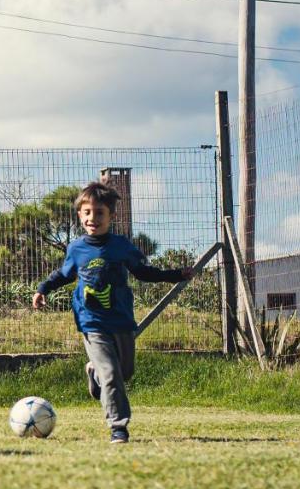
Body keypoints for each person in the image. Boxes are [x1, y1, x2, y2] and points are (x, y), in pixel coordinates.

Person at [32, 182, 194, 443]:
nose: (92, 218)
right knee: (111, 373)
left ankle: (93, 374)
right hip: (91, 321)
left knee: (124, 373)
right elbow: (63, 275)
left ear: (111, 216)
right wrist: (43, 289)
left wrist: (174, 275)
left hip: (120, 319)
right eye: (87, 213)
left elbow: (143, 272)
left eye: (99, 213)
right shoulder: (76, 249)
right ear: (79, 216)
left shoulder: (121, 246)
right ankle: (118, 427)